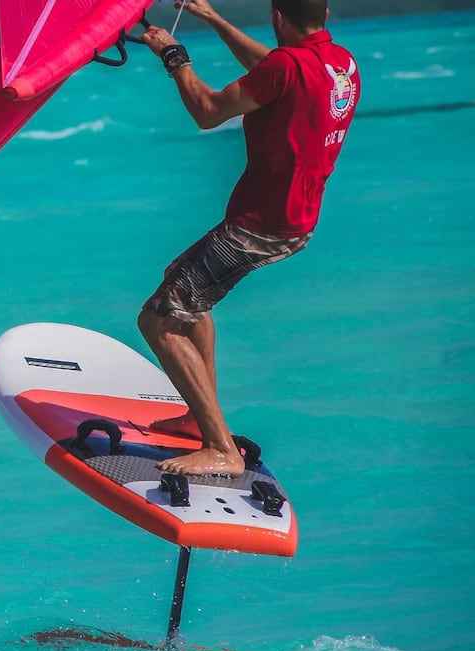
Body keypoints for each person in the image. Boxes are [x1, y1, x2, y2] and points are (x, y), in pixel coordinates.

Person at [136, 0, 360, 476]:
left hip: (259, 227)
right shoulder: (340, 63)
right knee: (182, 283)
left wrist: (174, 55)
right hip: (294, 218)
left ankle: (221, 449)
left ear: (277, 16)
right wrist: (214, 20)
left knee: (159, 320)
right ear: (324, 14)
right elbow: (273, 67)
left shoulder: (287, 67)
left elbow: (207, 112)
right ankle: (198, 417)